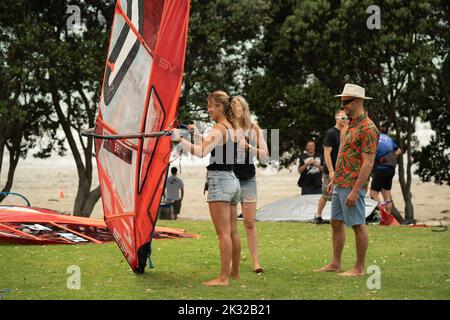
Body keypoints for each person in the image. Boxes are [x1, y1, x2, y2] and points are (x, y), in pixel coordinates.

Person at [173, 90, 241, 286]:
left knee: (223, 234)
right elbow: (211, 143)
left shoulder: (219, 127)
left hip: (219, 180)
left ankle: (223, 278)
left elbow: (202, 151)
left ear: (220, 106)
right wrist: (196, 134)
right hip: (232, 180)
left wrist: (180, 139)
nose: (208, 109)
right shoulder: (231, 126)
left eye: (211, 105)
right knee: (232, 232)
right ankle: (234, 273)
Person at [315, 83, 379, 277]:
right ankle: (336, 264)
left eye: (346, 102)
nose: (343, 106)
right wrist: (334, 178)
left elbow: (367, 164)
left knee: (358, 225)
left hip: (353, 185)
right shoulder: (348, 125)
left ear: (358, 101)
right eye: (341, 102)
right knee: (335, 222)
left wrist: (355, 189)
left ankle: (359, 268)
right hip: (340, 183)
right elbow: (343, 154)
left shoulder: (369, 129)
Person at [231, 96, 269, 274]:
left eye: (237, 105)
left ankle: (255, 261)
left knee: (249, 221)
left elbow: (265, 155)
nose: (235, 107)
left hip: (247, 179)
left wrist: (249, 148)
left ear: (244, 108)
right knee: (231, 224)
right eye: (232, 105)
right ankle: (232, 262)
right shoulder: (226, 126)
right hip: (229, 177)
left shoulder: (254, 129)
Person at [314, 110, 348, 224]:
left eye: (347, 118)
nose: (346, 120)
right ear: (337, 119)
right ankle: (318, 215)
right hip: (331, 170)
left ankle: (341, 217)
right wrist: (331, 171)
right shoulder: (331, 133)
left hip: (342, 170)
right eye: (343, 118)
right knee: (326, 193)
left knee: (341, 194)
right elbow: (327, 153)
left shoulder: (346, 132)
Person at [369, 133, 404, 223]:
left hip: (381, 169)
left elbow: (370, 156)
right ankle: (388, 215)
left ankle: (382, 215)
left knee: (373, 194)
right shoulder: (386, 137)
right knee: (387, 194)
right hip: (391, 169)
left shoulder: (373, 140)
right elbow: (399, 150)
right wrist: (391, 157)